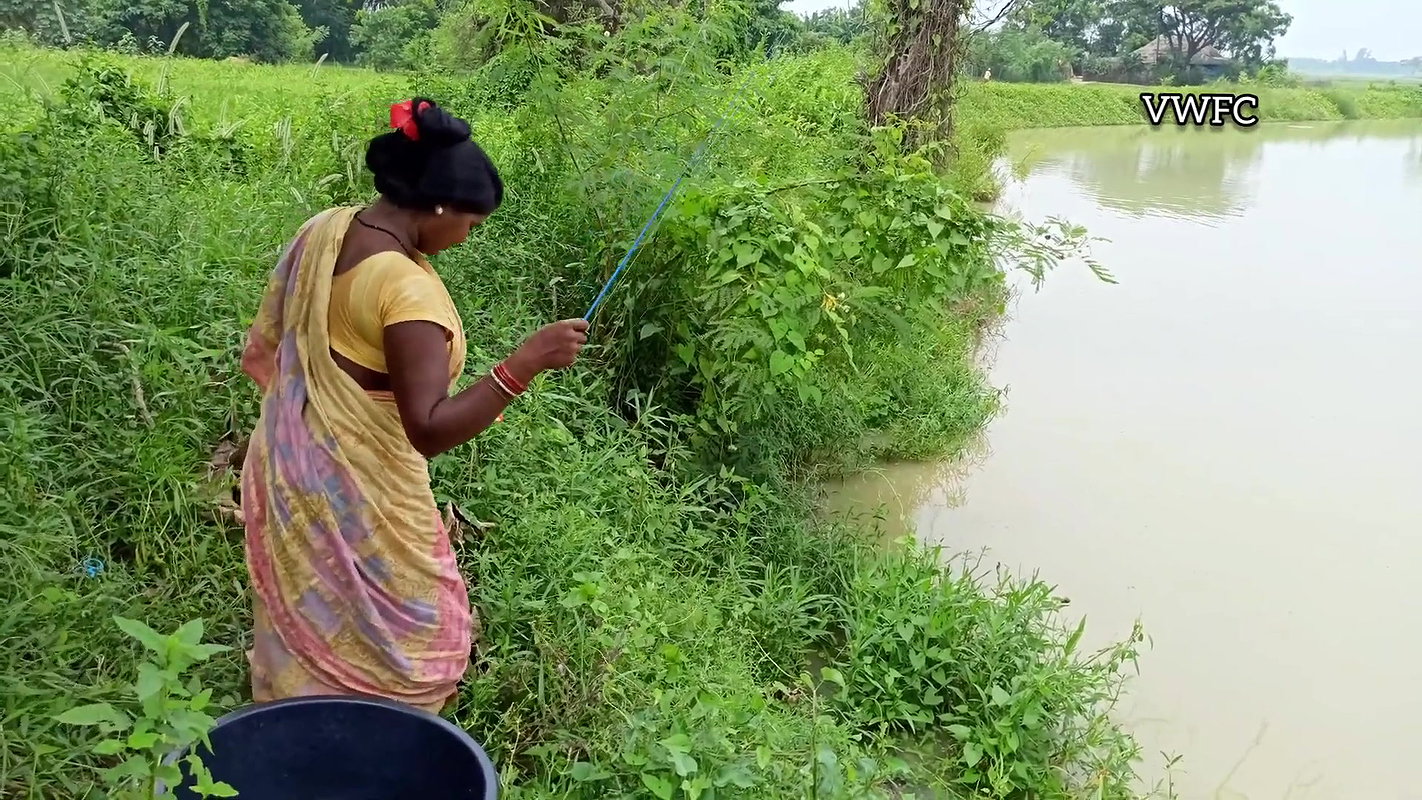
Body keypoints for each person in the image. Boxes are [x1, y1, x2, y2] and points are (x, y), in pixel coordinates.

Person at [237, 97, 589, 712]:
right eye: (471, 224)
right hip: (361, 487)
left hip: (293, 460)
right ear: (437, 206)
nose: (468, 237)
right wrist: (523, 363)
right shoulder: (406, 293)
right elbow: (427, 429)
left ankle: (296, 719)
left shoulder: (328, 229)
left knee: (314, 602)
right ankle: (382, 728)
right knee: (418, 642)